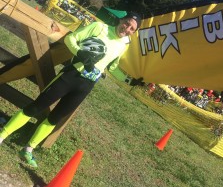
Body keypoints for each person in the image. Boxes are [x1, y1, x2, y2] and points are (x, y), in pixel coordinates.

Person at [0, 12, 144, 167]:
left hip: (86, 86)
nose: (127, 28)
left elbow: (113, 67)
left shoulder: (123, 45)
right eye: (127, 23)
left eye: (132, 28)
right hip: (71, 75)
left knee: (55, 118)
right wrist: (80, 53)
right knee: (37, 106)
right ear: (121, 20)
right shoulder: (99, 27)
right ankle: (2, 135)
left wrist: (130, 80)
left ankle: (28, 149)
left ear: (134, 32)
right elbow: (70, 39)